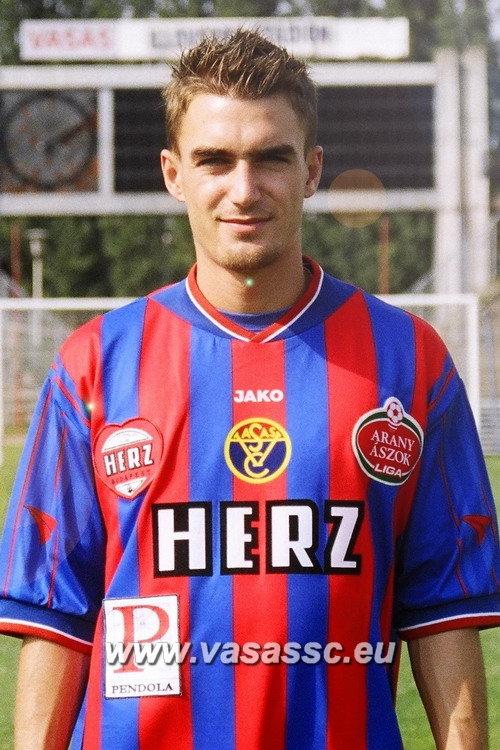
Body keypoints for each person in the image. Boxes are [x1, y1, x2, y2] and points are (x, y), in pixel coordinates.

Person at [0, 28, 499, 750]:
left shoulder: (408, 362)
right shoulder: (94, 365)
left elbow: (443, 608)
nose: (243, 189)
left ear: (312, 169)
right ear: (174, 173)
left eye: (271, 157)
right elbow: (56, 613)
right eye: (215, 160)